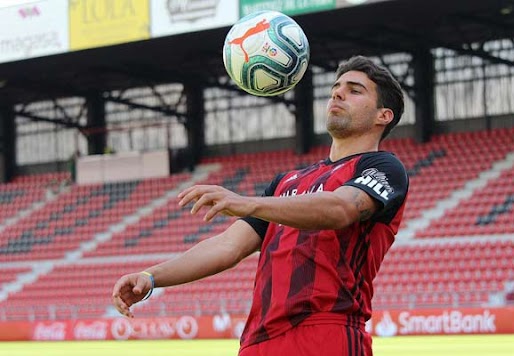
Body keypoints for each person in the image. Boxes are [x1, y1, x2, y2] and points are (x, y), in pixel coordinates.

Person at [112, 55, 409, 356]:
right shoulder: (287, 182)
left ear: (383, 116)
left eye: (355, 90)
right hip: (258, 340)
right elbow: (227, 246)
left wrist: (248, 203)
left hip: (325, 333)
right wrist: (151, 277)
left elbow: (341, 209)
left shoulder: (384, 167)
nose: (337, 93)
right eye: (336, 86)